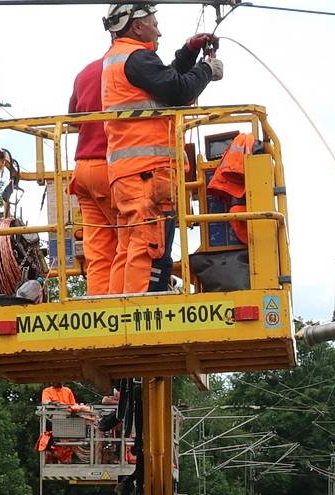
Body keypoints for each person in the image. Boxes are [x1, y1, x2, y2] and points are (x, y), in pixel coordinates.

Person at [101, 3, 223, 294]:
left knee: (129, 248)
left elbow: (165, 82)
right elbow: (179, 90)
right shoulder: (136, 58)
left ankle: (119, 311)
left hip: (130, 175)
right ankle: (140, 311)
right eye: (154, 22)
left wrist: (189, 52)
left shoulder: (123, 59)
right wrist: (207, 69)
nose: (159, 29)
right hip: (147, 175)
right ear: (137, 25)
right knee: (149, 249)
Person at [68, 36, 118, 295]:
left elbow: (73, 118)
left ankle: (100, 306)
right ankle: (127, 312)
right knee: (133, 245)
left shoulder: (85, 72)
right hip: (115, 170)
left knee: (98, 253)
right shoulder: (133, 69)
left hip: (83, 170)